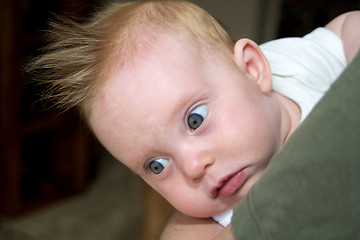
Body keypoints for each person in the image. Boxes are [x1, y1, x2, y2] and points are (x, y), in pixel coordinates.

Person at [26, 0, 360, 238]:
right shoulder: (219, 219)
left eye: (195, 119)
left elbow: (345, 27)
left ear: (254, 70)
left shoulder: (294, 64)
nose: (193, 166)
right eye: (157, 165)